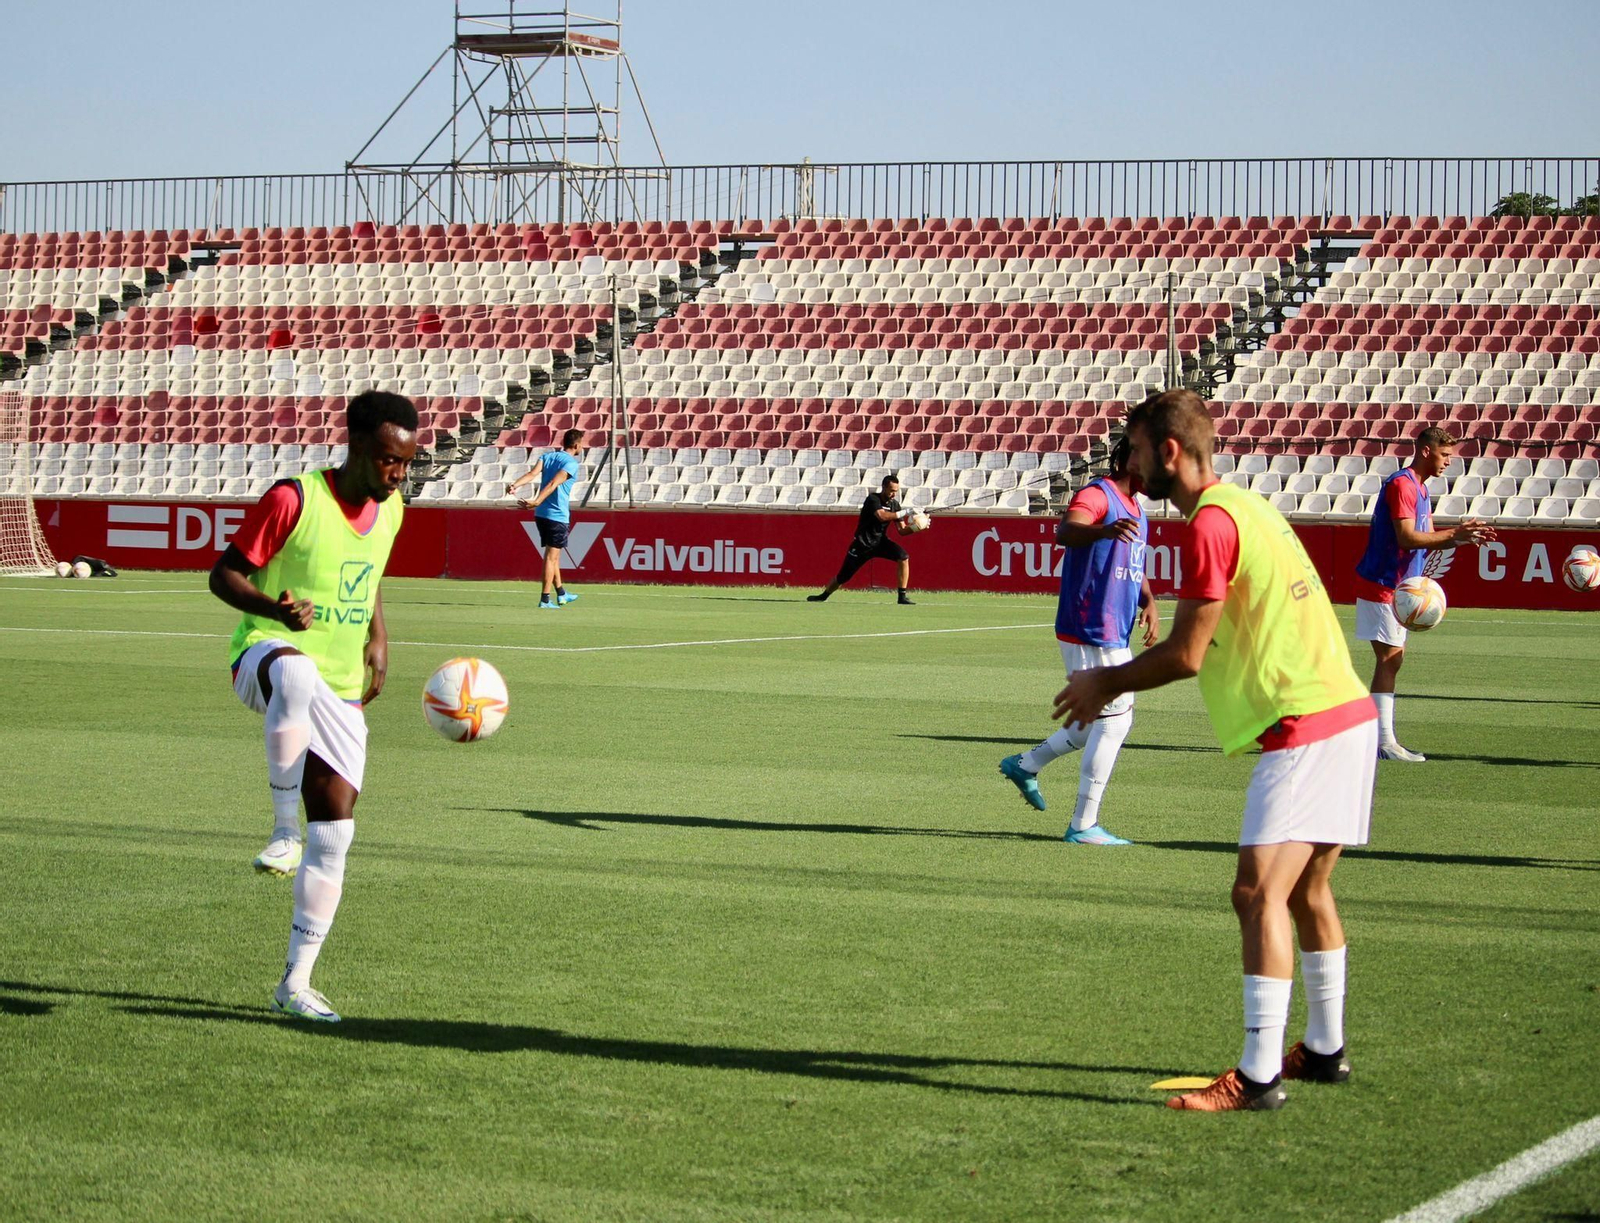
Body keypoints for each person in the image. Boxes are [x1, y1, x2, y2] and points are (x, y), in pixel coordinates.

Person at [1056, 390, 1377, 1112]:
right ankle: (1325, 1050)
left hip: (1307, 725)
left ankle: (1259, 1075)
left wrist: (1103, 681)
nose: (1131, 465)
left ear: (1169, 451)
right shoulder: (1249, 505)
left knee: (1256, 893)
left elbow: (1187, 653)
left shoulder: (1210, 523)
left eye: (1136, 451)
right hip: (1346, 712)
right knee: (1305, 891)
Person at [208, 390, 417, 1023]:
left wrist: (379, 637)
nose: (398, 473)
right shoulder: (293, 498)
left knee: (337, 834)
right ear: (356, 447)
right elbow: (224, 575)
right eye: (388, 460)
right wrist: (274, 610)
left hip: (341, 688)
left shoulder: (392, 509)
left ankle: (294, 983)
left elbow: (370, 573)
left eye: (405, 462)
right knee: (294, 674)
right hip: (263, 654)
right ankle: (280, 832)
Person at [999, 436, 1158, 844]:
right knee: (1117, 718)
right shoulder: (1098, 495)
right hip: (1089, 624)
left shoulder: (1138, 507)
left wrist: (1149, 600)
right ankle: (1083, 825)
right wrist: (1104, 529)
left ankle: (1026, 765)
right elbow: (1067, 531)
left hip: (1112, 627)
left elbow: (1131, 563)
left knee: (1094, 722)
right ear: (1130, 460)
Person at [1354, 426, 1495, 761]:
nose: (1449, 462)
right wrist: (1454, 535)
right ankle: (1382, 742)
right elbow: (1407, 538)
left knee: (1391, 660)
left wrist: (1461, 538)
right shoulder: (1403, 484)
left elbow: (1428, 535)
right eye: (1445, 455)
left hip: (1400, 586)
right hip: (1384, 583)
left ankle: (1379, 739)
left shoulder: (1420, 489)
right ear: (1426, 451)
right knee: (1390, 659)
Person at [807, 474, 919, 605]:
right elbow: (882, 516)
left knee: (903, 557)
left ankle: (902, 597)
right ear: (884, 487)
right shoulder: (873, 499)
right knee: (843, 577)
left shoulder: (895, 505)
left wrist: (917, 527)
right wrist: (907, 512)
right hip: (862, 544)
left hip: (880, 542)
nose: (894, 494)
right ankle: (824, 595)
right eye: (892, 491)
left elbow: (902, 530)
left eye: (896, 491)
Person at [508, 428, 587, 610]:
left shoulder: (548, 457)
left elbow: (531, 474)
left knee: (555, 557)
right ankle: (545, 599)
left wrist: (515, 485)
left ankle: (561, 594)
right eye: (581, 443)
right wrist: (536, 500)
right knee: (551, 558)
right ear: (576, 445)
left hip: (541, 515)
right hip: (556, 515)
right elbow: (553, 484)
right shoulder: (571, 464)